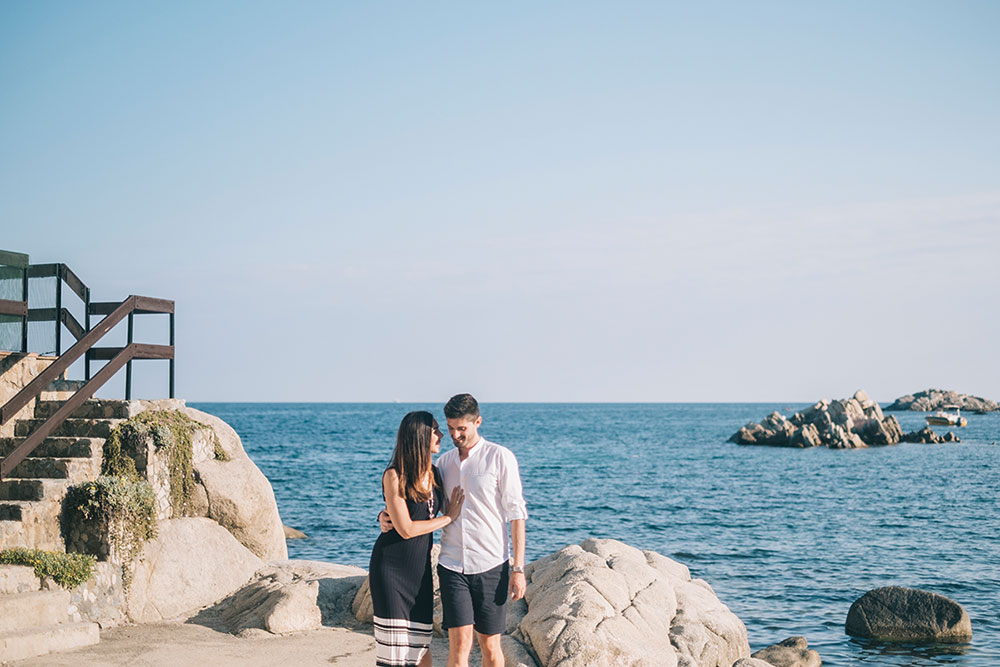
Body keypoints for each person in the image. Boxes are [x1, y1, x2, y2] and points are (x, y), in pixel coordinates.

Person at [382, 394, 528, 667]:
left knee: (490, 645)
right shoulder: (443, 464)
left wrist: (518, 570)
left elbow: (517, 515)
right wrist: (384, 515)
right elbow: (418, 501)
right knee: (459, 644)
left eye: (462, 428)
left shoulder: (499, 457)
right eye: (450, 428)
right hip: (451, 566)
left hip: (491, 565)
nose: (455, 434)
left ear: (477, 422)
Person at [369, 411, 464, 667]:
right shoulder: (394, 475)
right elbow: (406, 529)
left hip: (419, 573)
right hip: (391, 571)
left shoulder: (435, 473)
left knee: (420, 649)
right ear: (419, 436)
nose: (441, 434)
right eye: (435, 430)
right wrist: (448, 518)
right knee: (394, 656)